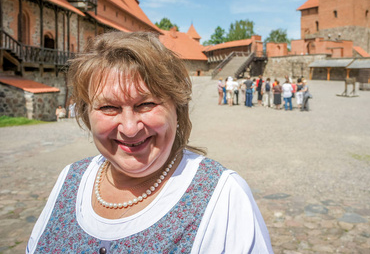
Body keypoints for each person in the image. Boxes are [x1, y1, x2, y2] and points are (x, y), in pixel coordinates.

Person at [27, 32, 272, 253]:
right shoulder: (70, 179)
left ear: (177, 107)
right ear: (85, 113)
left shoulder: (224, 196)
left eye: (146, 104)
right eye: (108, 107)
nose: (130, 128)